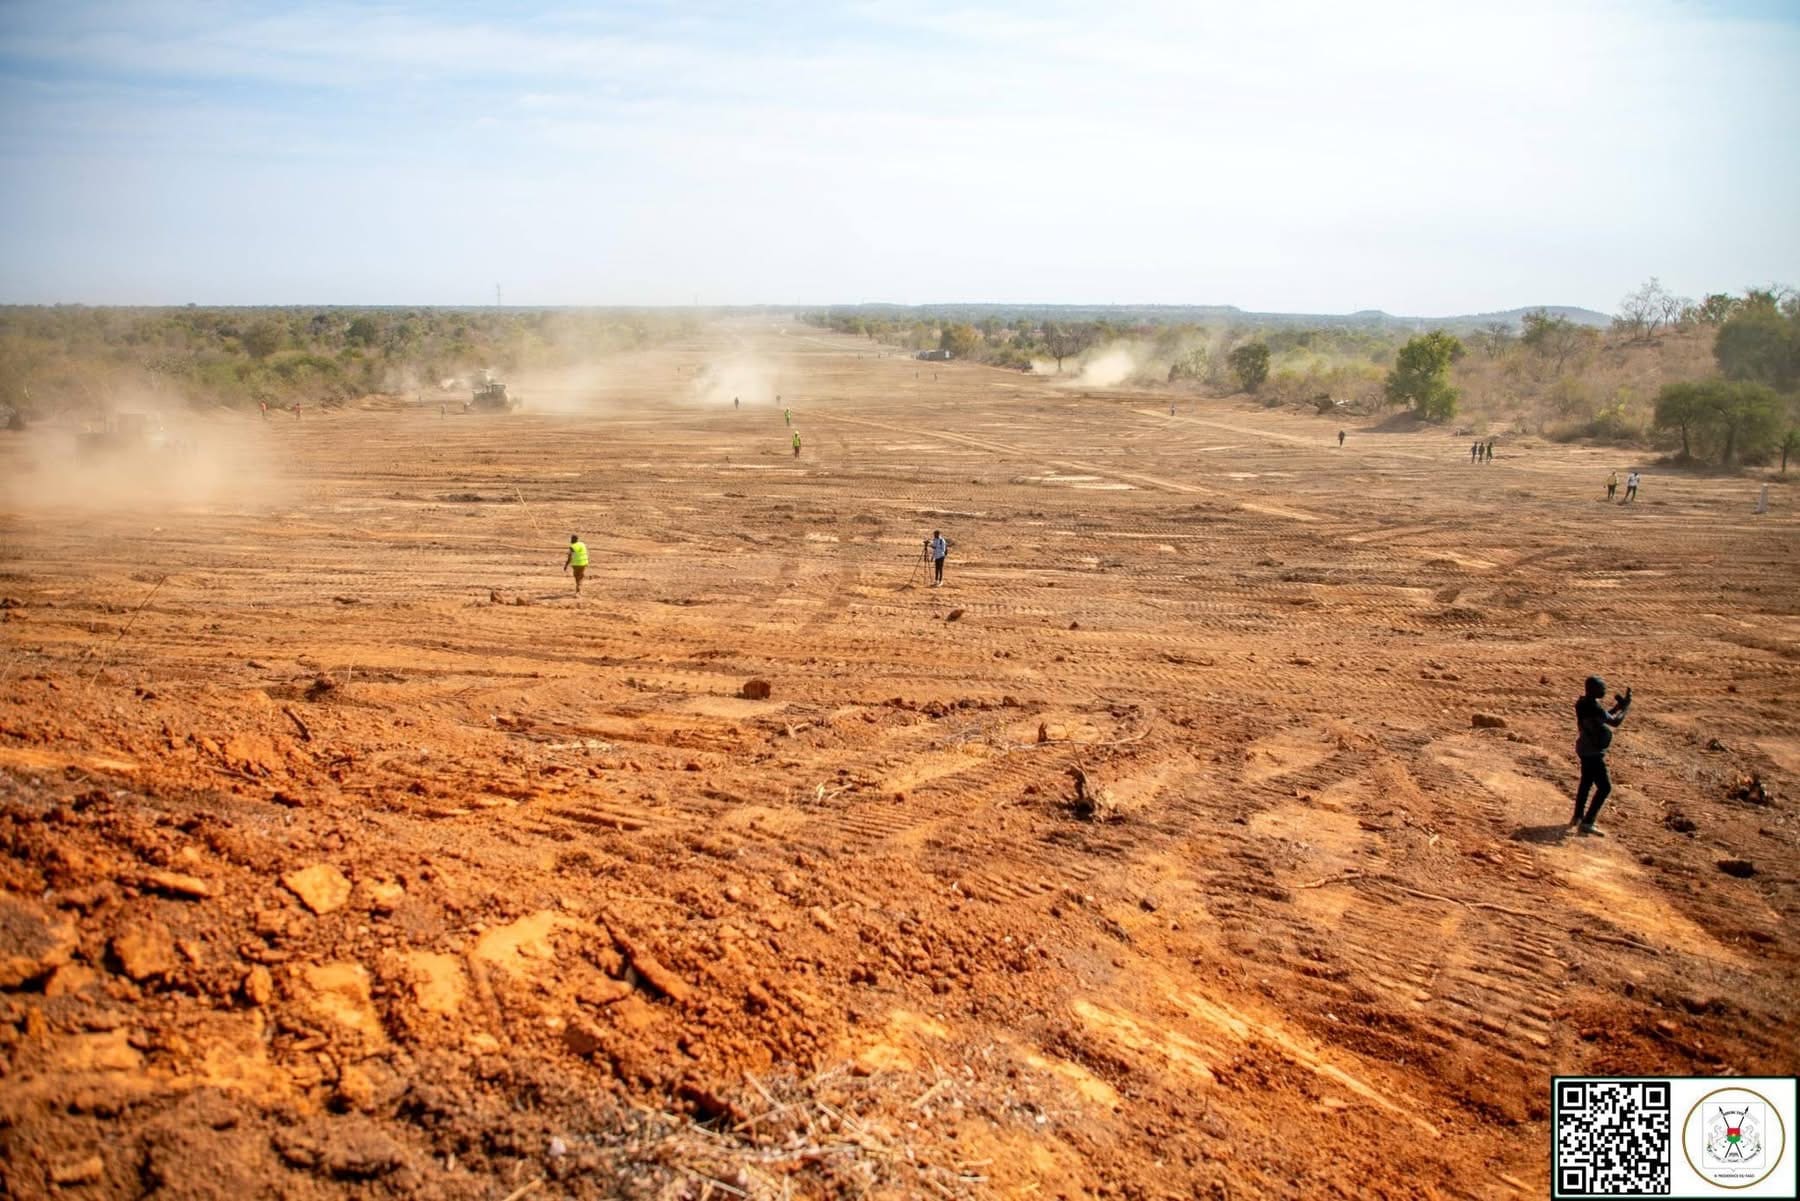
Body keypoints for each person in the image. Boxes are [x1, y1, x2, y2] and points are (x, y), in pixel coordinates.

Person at [1572, 676, 1631, 835]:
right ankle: (1588, 822)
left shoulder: (1583, 703)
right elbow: (1614, 722)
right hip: (1593, 751)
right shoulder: (1593, 706)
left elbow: (1603, 717)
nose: (1604, 691)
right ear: (1592, 689)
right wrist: (1625, 708)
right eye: (1601, 688)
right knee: (1605, 788)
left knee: (1586, 783)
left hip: (1584, 747)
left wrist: (1618, 707)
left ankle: (1577, 816)